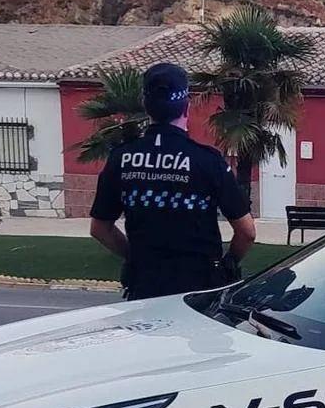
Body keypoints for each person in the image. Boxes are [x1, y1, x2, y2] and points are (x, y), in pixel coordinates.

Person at [89, 62, 257, 300]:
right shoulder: (207, 160)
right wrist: (228, 263)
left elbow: (100, 228)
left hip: (144, 287)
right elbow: (247, 231)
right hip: (199, 290)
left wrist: (134, 256)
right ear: (186, 106)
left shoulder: (121, 158)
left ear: (147, 106)